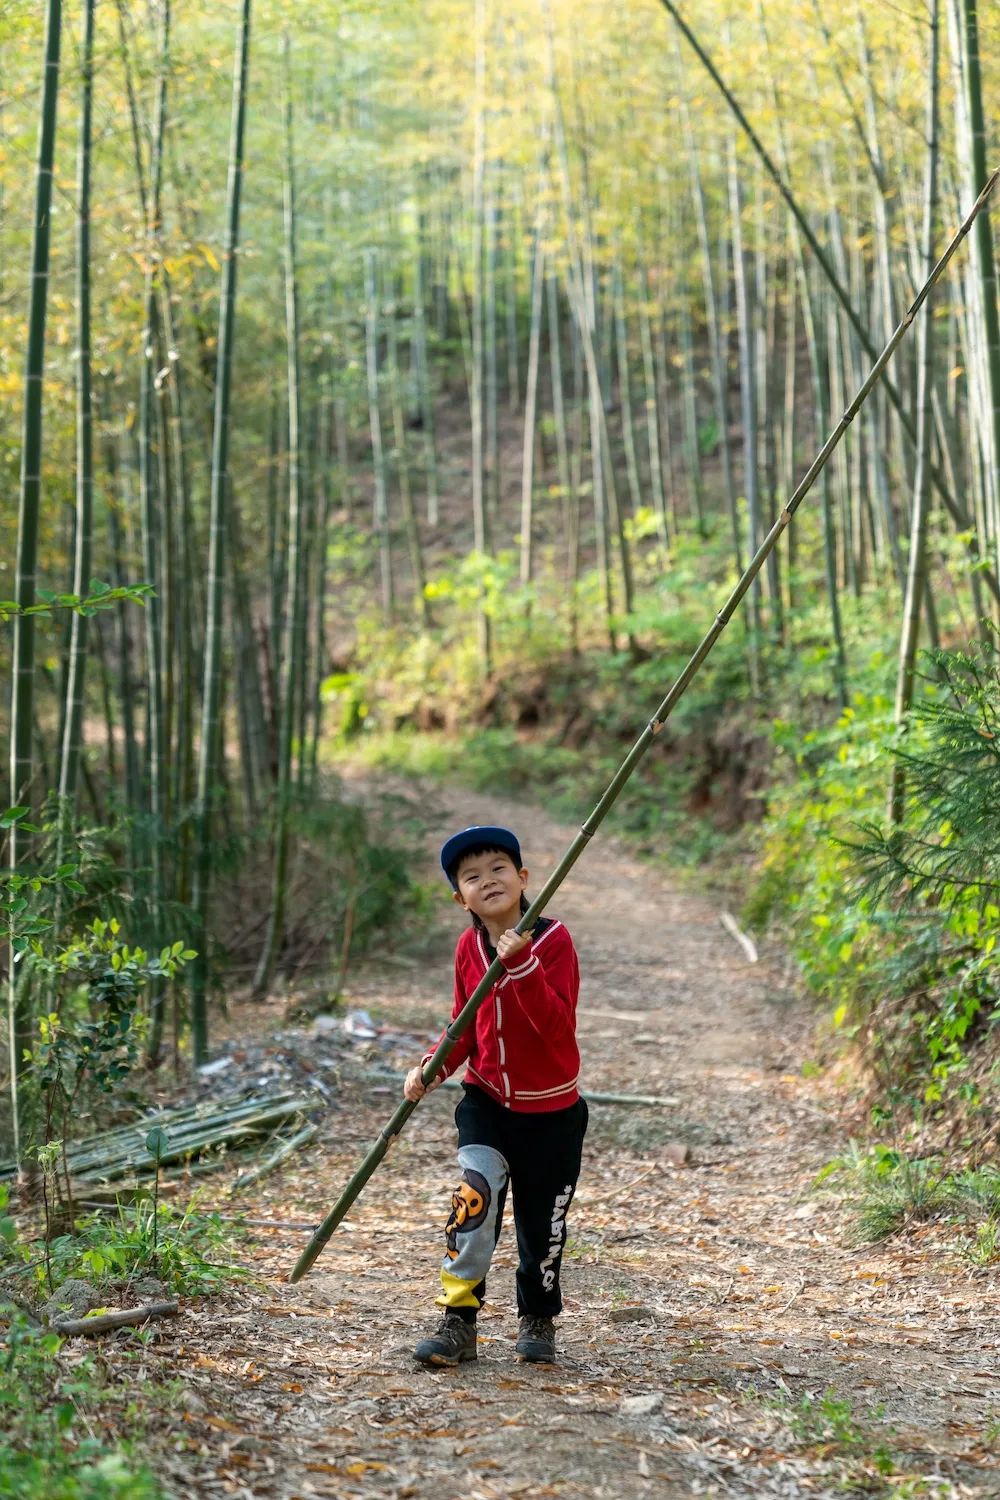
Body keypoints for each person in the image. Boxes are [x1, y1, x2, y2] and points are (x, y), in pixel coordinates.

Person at [404, 824, 588, 1368]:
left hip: (552, 1114)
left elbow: (557, 1029)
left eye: (499, 869)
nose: (488, 881)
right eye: (472, 876)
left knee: (541, 1227)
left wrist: (523, 966)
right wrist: (431, 1068)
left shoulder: (553, 943)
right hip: (486, 1104)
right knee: (473, 1206)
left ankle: (538, 1317)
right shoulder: (468, 947)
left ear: (524, 878)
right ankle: (458, 1321)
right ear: (460, 897)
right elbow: (465, 1026)